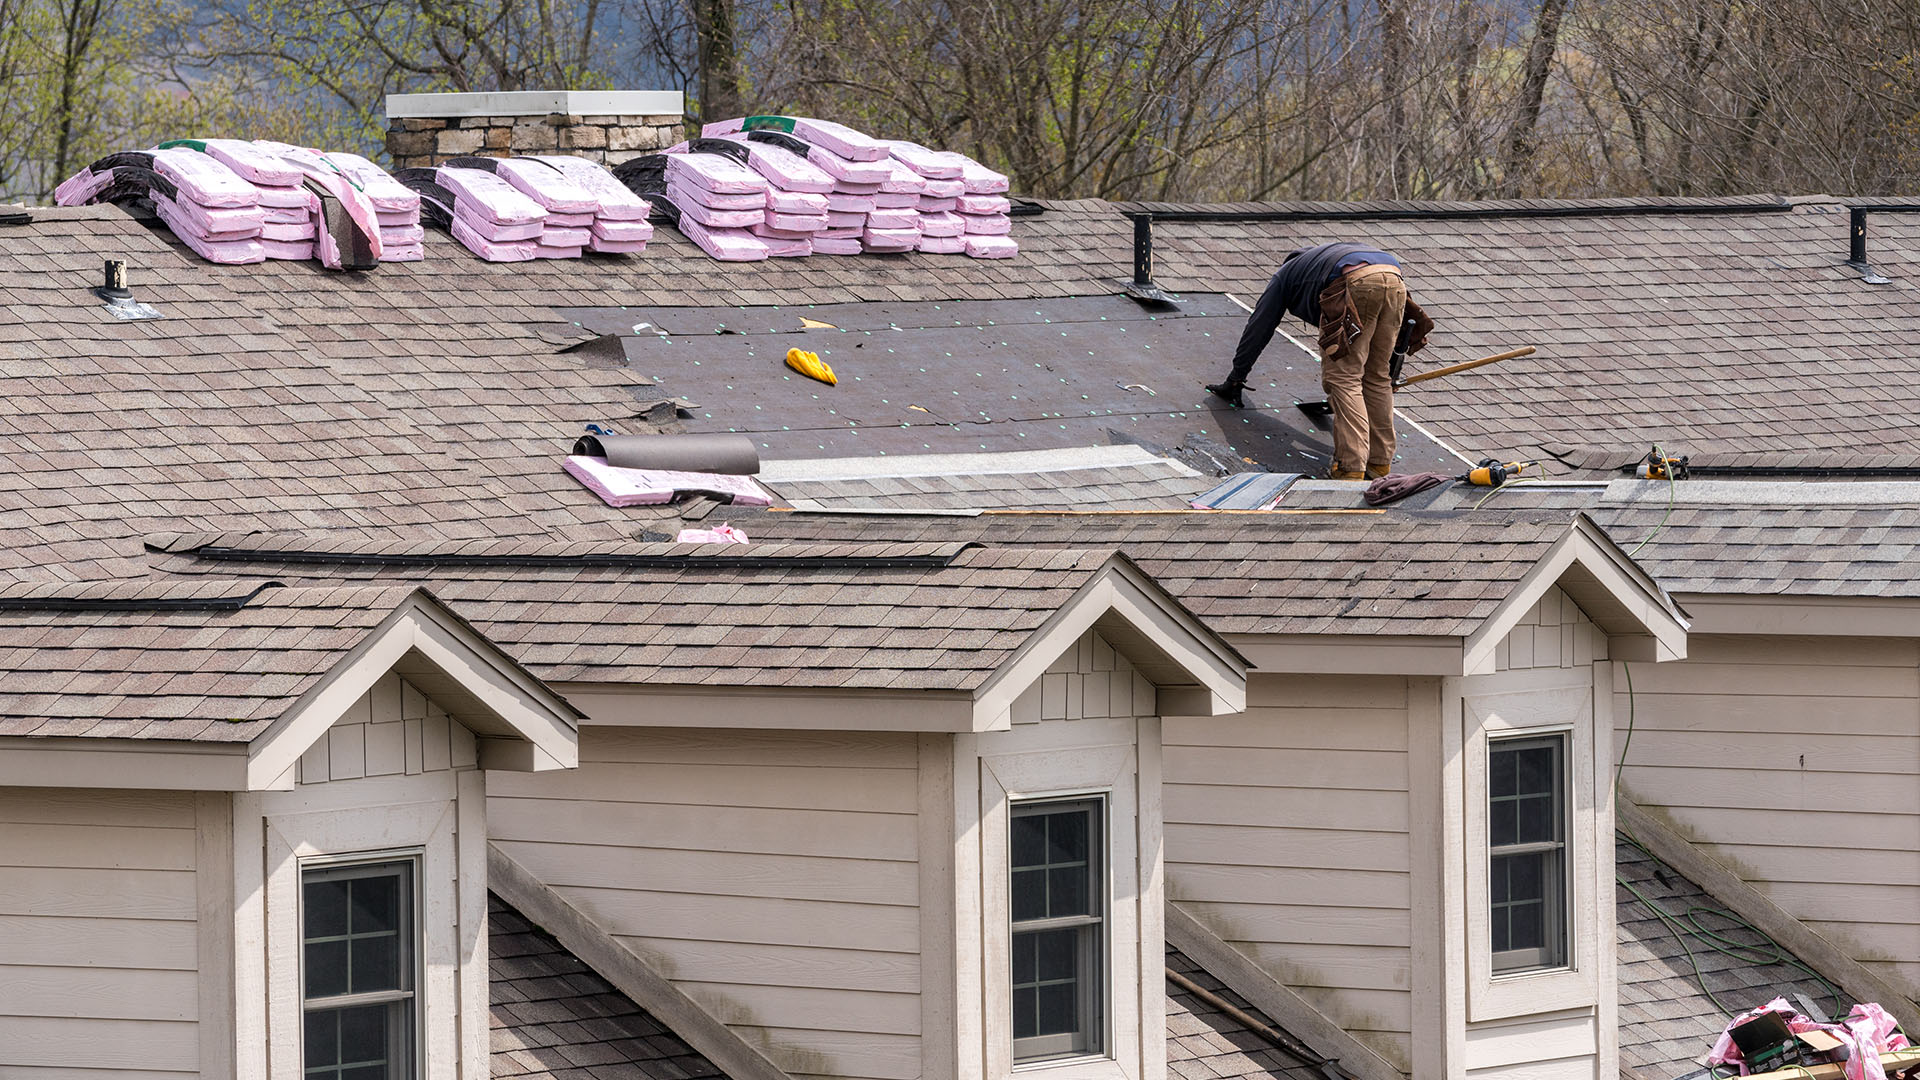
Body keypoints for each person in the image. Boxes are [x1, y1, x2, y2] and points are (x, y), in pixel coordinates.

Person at [1207, 243, 1433, 480]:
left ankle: (1350, 467)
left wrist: (1236, 377)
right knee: (1377, 377)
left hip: (1358, 283)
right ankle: (1379, 464)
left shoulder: (1286, 276)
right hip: (1394, 278)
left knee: (1344, 378)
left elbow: (1259, 327)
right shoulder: (1323, 263)